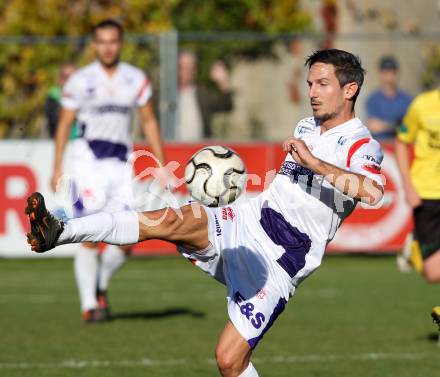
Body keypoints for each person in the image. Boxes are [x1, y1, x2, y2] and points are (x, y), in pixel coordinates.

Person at [26, 49, 384, 377]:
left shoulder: (361, 143)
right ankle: (60, 231)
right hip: (246, 222)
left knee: (229, 361)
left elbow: (371, 192)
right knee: (169, 219)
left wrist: (314, 162)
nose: (313, 93)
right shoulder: (306, 126)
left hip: (280, 260)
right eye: (310, 84)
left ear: (349, 89)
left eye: (322, 84)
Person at [51, 19, 166, 323]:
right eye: (101, 41)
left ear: (120, 43)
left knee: (126, 239)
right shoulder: (80, 80)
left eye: (112, 41)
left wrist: (161, 163)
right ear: (94, 44)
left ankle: (100, 284)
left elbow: (150, 120)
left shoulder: (135, 78)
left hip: (120, 166)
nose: (107, 47)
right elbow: (64, 123)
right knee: (90, 235)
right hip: (87, 163)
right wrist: (57, 166)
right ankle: (90, 305)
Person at [395, 87, 440, 330]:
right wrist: (408, 186)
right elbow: (402, 143)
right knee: (433, 274)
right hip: (427, 192)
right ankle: (415, 247)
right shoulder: (422, 105)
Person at [176, 50, 234, 141]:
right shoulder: (164, 95)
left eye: (191, 67)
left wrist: (224, 82)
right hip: (171, 149)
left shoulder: (203, 93)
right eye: (183, 67)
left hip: (199, 149)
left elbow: (226, 105)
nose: (188, 71)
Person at [365, 56, 412, 141]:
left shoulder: (407, 100)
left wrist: (385, 126)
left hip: (401, 144)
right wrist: (397, 126)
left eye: (392, 73)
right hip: (380, 146)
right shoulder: (372, 100)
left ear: (397, 74)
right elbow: (373, 127)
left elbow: (408, 129)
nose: (389, 77)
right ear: (380, 73)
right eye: (385, 73)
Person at [44, 63, 78, 139]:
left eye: (75, 77)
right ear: (59, 79)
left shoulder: (87, 98)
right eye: (66, 77)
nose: (70, 81)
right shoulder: (53, 98)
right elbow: (55, 119)